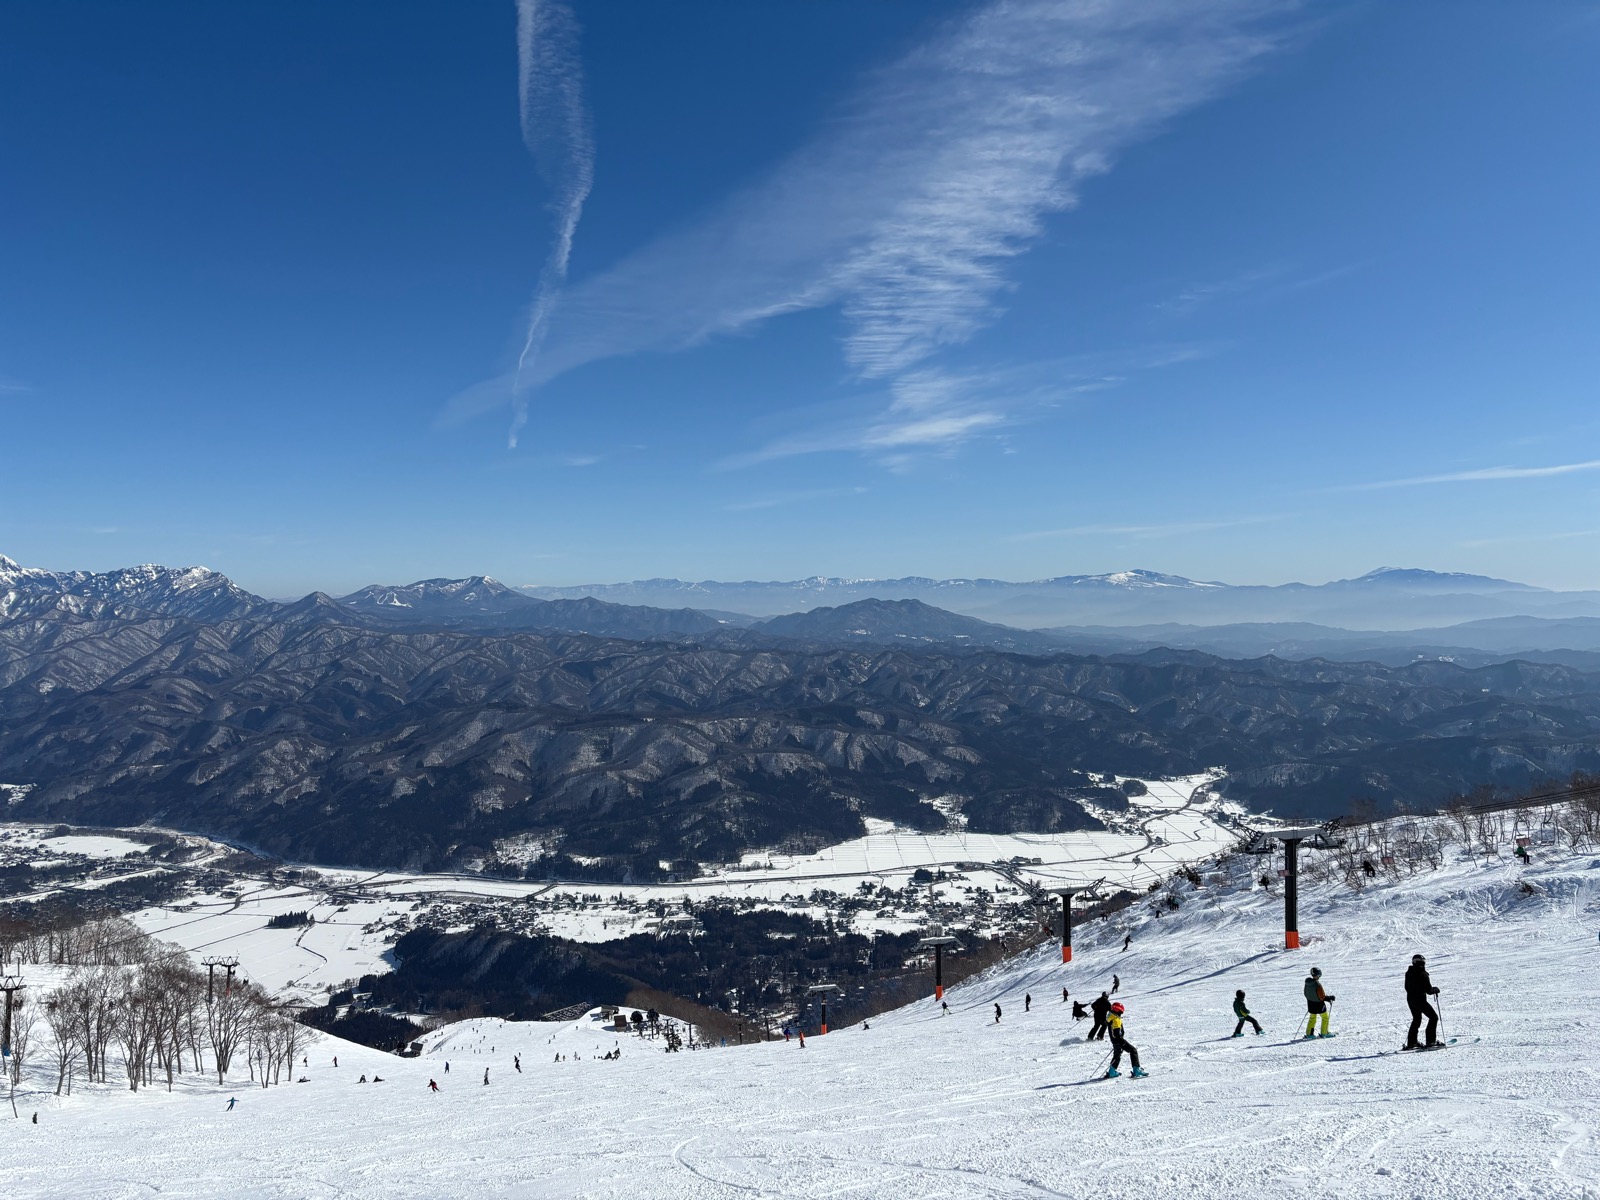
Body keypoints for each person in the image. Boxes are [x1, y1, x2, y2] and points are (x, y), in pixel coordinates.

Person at [1404, 953, 1441, 1049]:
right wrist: (1435, 990)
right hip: (1420, 1000)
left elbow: (1406, 987)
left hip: (1410, 1000)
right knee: (1433, 1017)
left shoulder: (1408, 973)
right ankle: (1431, 1041)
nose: (1423, 963)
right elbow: (1429, 991)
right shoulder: (1423, 974)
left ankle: (1412, 1043)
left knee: (1416, 1019)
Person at [1104, 1002, 1148, 1078]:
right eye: (1120, 1012)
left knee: (1117, 1055)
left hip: (1114, 1040)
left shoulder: (1110, 1017)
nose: (1121, 1014)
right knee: (1133, 1050)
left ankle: (1112, 1072)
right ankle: (1136, 1070)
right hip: (1119, 1040)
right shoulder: (1116, 1019)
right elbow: (1116, 1033)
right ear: (1118, 1010)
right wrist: (1121, 1041)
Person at [1303, 967, 1334, 1038]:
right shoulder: (1317, 984)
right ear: (1317, 975)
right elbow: (1322, 996)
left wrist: (1312, 998)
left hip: (1310, 1004)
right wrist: (1329, 998)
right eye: (1319, 975)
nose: (1319, 977)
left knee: (1312, 1018)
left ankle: (1309, 1034)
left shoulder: (1307, 983)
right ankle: (1324, 1033)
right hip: (1319, 1005)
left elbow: (1305, 993)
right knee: (1325, 1017)